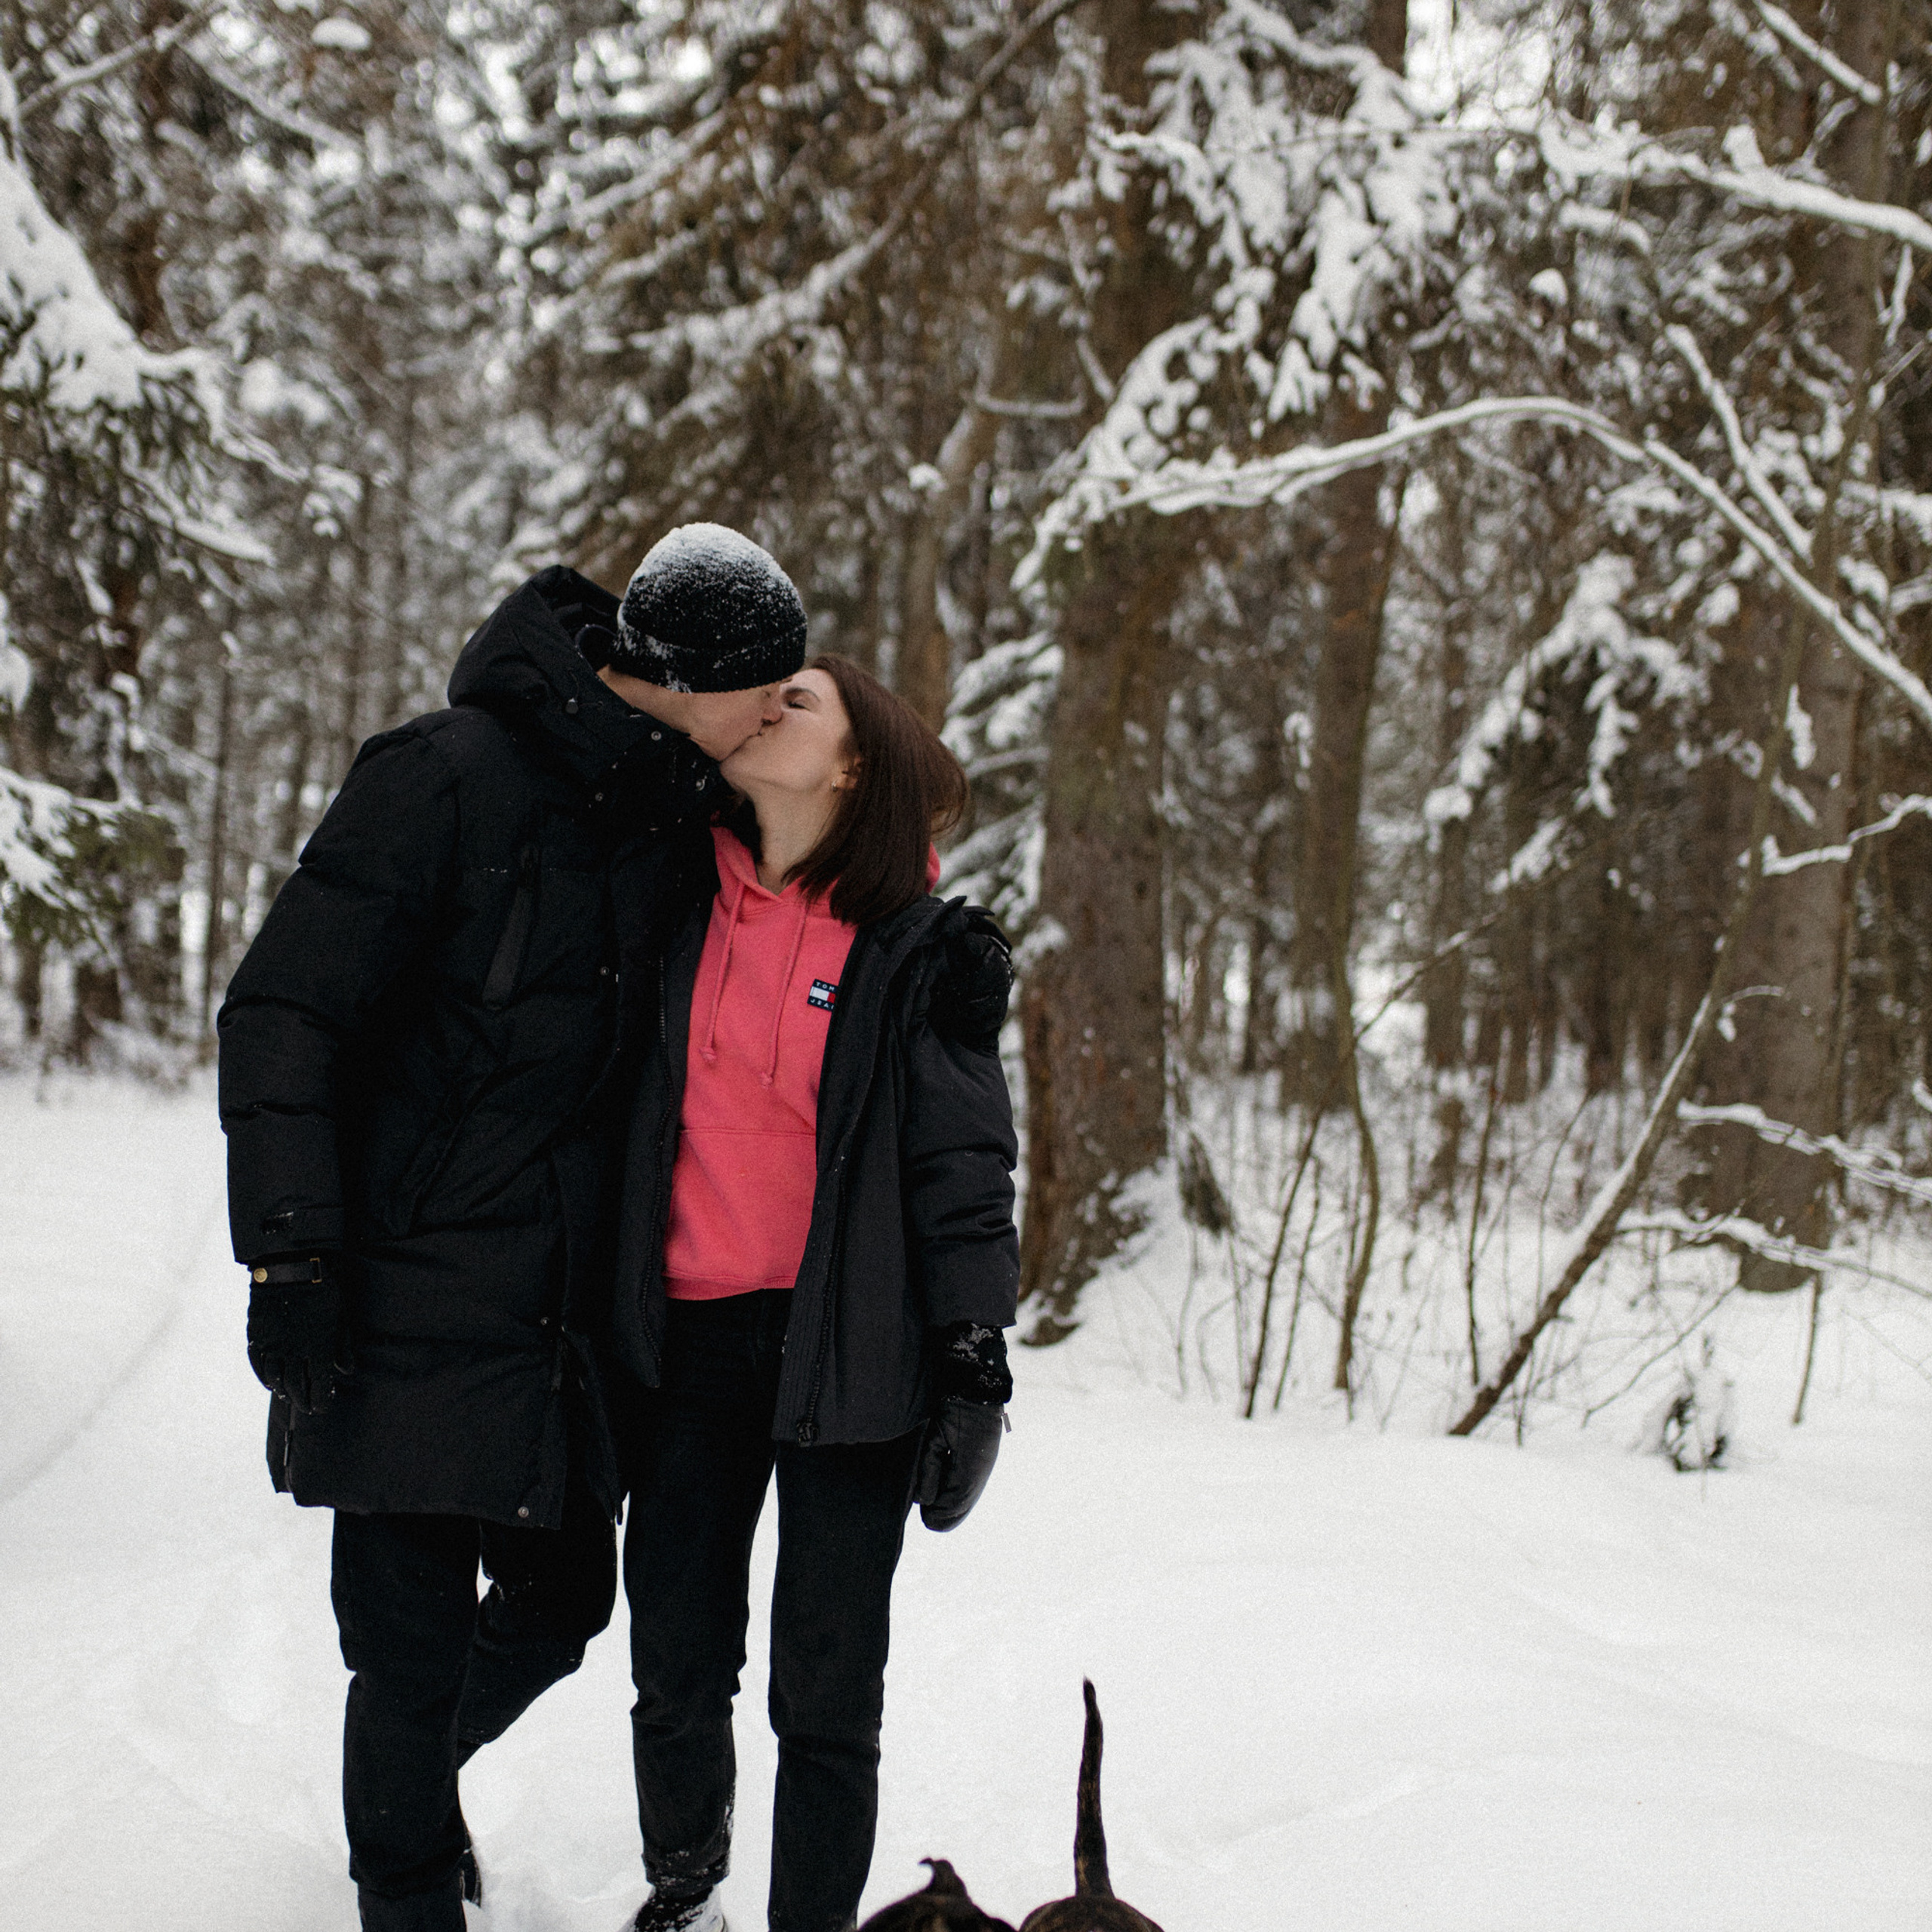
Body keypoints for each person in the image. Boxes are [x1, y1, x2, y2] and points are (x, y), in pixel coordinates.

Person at [217, 525, 811, 1932]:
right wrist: (290, 1250)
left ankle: (407, 1792)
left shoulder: (680, 820)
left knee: (556, 1612)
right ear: (687, 678)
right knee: (408, 1655)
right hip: (404, 1291)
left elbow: (816, 916)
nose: (784, 714)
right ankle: (406, 1880)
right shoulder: (439, 778)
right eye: (770, 692)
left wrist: (934, 962)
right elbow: (281, 1013)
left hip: (567, 1316)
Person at [609, 654, 1020, 1932]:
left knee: (829, 1695)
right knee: (677, 1662)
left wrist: (973, 1357)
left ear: (855, 764)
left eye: (803, 701)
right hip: (689, 1343)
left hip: (856, 1352)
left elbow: (963, 1166)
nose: (769, 708)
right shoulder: (676, 900)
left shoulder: (924, 951)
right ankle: (684, 1896)